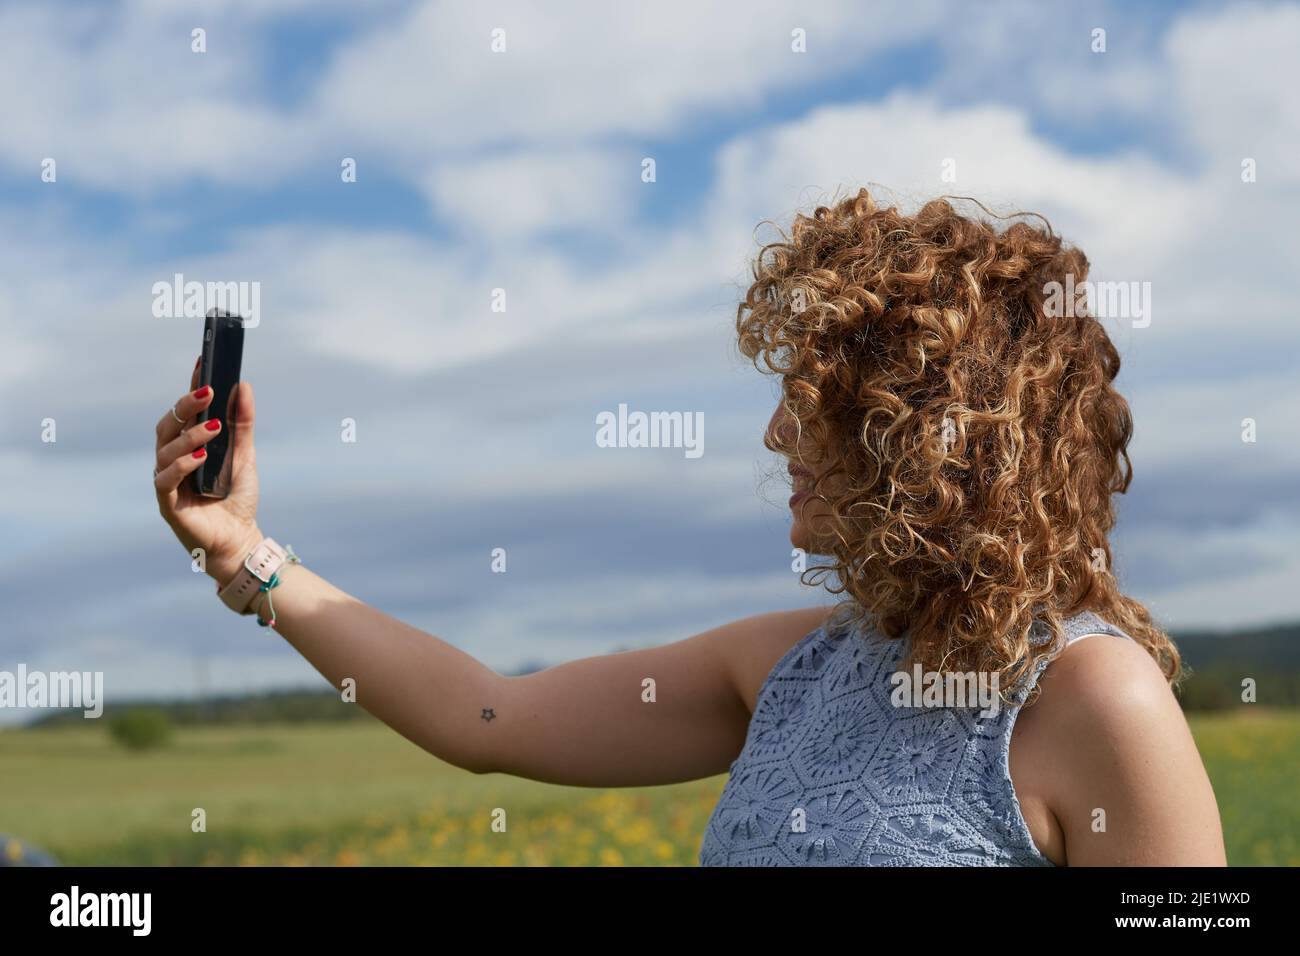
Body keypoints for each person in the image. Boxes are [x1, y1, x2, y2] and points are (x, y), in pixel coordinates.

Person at [152, 188, 1226, 866]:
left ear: (931, 445)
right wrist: (249, 554)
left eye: (815, 412)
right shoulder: (787, 667)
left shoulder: (1096, 698)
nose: (772, 439)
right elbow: (487, 715)